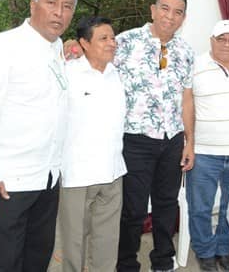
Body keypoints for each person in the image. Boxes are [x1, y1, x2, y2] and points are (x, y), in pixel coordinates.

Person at [0, 0, 77, 271]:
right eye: (51, 3)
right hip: (7, 182)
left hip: (47, 177)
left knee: (37, 257)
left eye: (67, 7)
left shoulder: (57, 49)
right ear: (33, 4)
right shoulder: (3, 48)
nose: (59, 12)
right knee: (5, 262)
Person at [115, 0, 195, 272]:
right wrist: (73, 46)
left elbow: (187, 99)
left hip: (172, 139)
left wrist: (189, 142)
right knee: (133, 209)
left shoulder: (186, 51)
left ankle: (163, 261)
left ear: (183, 18)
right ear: (152, 10)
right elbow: (93, 63)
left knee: (166, 205)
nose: (170, 16)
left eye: (178, 12)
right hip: (135, 139)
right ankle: (125, 263)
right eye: (165, 8)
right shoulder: (124, 42)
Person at [59, 16, 127, 272]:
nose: (111, 43)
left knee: (108, 240)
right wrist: (62, 48)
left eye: (112, 38)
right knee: (74, 242)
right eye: (103, 38)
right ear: (83, 43)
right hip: (77, 173)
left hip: (112, 171)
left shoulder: (115, 73)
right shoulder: (67, 73)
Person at [187, 20, 229, 272]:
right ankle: (204, 252)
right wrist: (189, 142)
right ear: (211, 40)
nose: (227, 43)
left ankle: (223, 250)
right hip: (204, 152)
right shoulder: (196, 65)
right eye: (221, 38)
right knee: (201, 207)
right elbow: (187, 105)